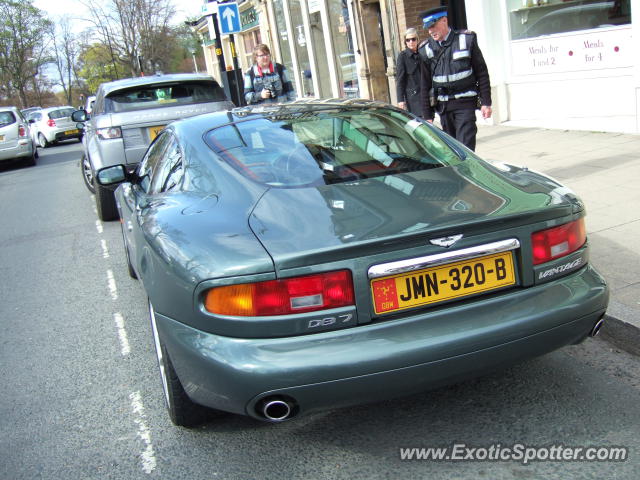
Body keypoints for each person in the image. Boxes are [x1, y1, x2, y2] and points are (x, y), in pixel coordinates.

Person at [418, 6, 492, 151]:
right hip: (444, 108)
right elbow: (424, 84)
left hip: (465, 104)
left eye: (433, 26)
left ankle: (468, 173)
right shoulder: (425, 49)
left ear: (444, 20)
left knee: (465, 148)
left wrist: (486, 102)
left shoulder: (466, 39)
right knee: (452, 151)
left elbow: (482, 73)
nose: (431, 31)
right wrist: (427, 115)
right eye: (428, 28)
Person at [395, 28, 422, 116]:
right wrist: (400, 100)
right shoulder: (402, 56)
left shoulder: (422, 54)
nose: (411, 42)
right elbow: (400, 80)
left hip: (425, 96)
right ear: (405, 42)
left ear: (417, 40)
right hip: (413, 99)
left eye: (413, 39)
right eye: (408, 40)